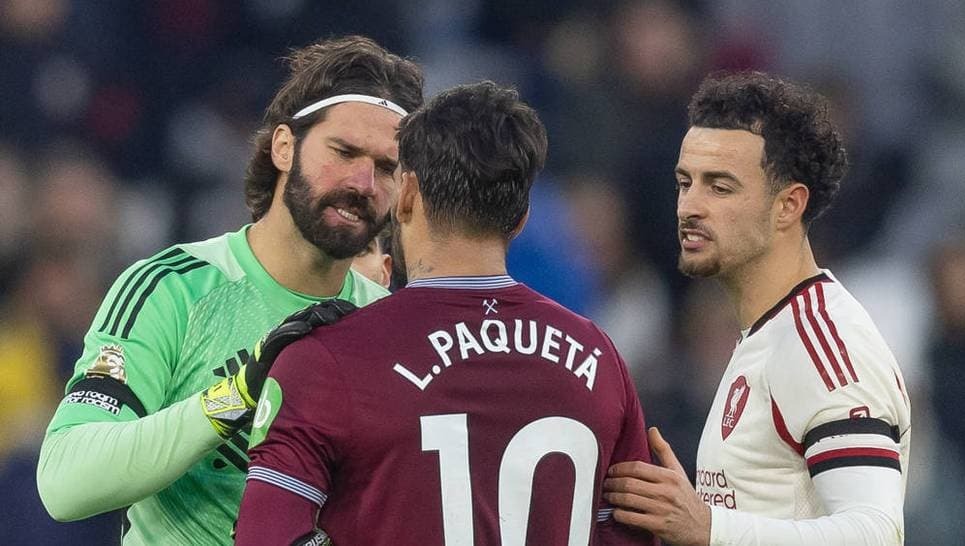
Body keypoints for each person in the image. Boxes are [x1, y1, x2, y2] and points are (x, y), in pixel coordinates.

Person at [36, 35, 424, 545]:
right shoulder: (173, 289)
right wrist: (232, 398)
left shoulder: (395, 328)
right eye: (344, 151)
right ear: (284, 147)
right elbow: (65, 482)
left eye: (387, 167)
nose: (364, 182)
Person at [233, 81, 658, 545]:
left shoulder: (329, 359)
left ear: (408, 193)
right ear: (520, 218)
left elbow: (265, 537)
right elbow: (634, 532)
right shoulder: (598, 357)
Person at [603, 71, 911, 545]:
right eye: (685, 183)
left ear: (788, 205)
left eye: (719, 187)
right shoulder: (766, 333)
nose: (690, 206)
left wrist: (707, 527)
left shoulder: (821, 343)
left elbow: (875, 532)